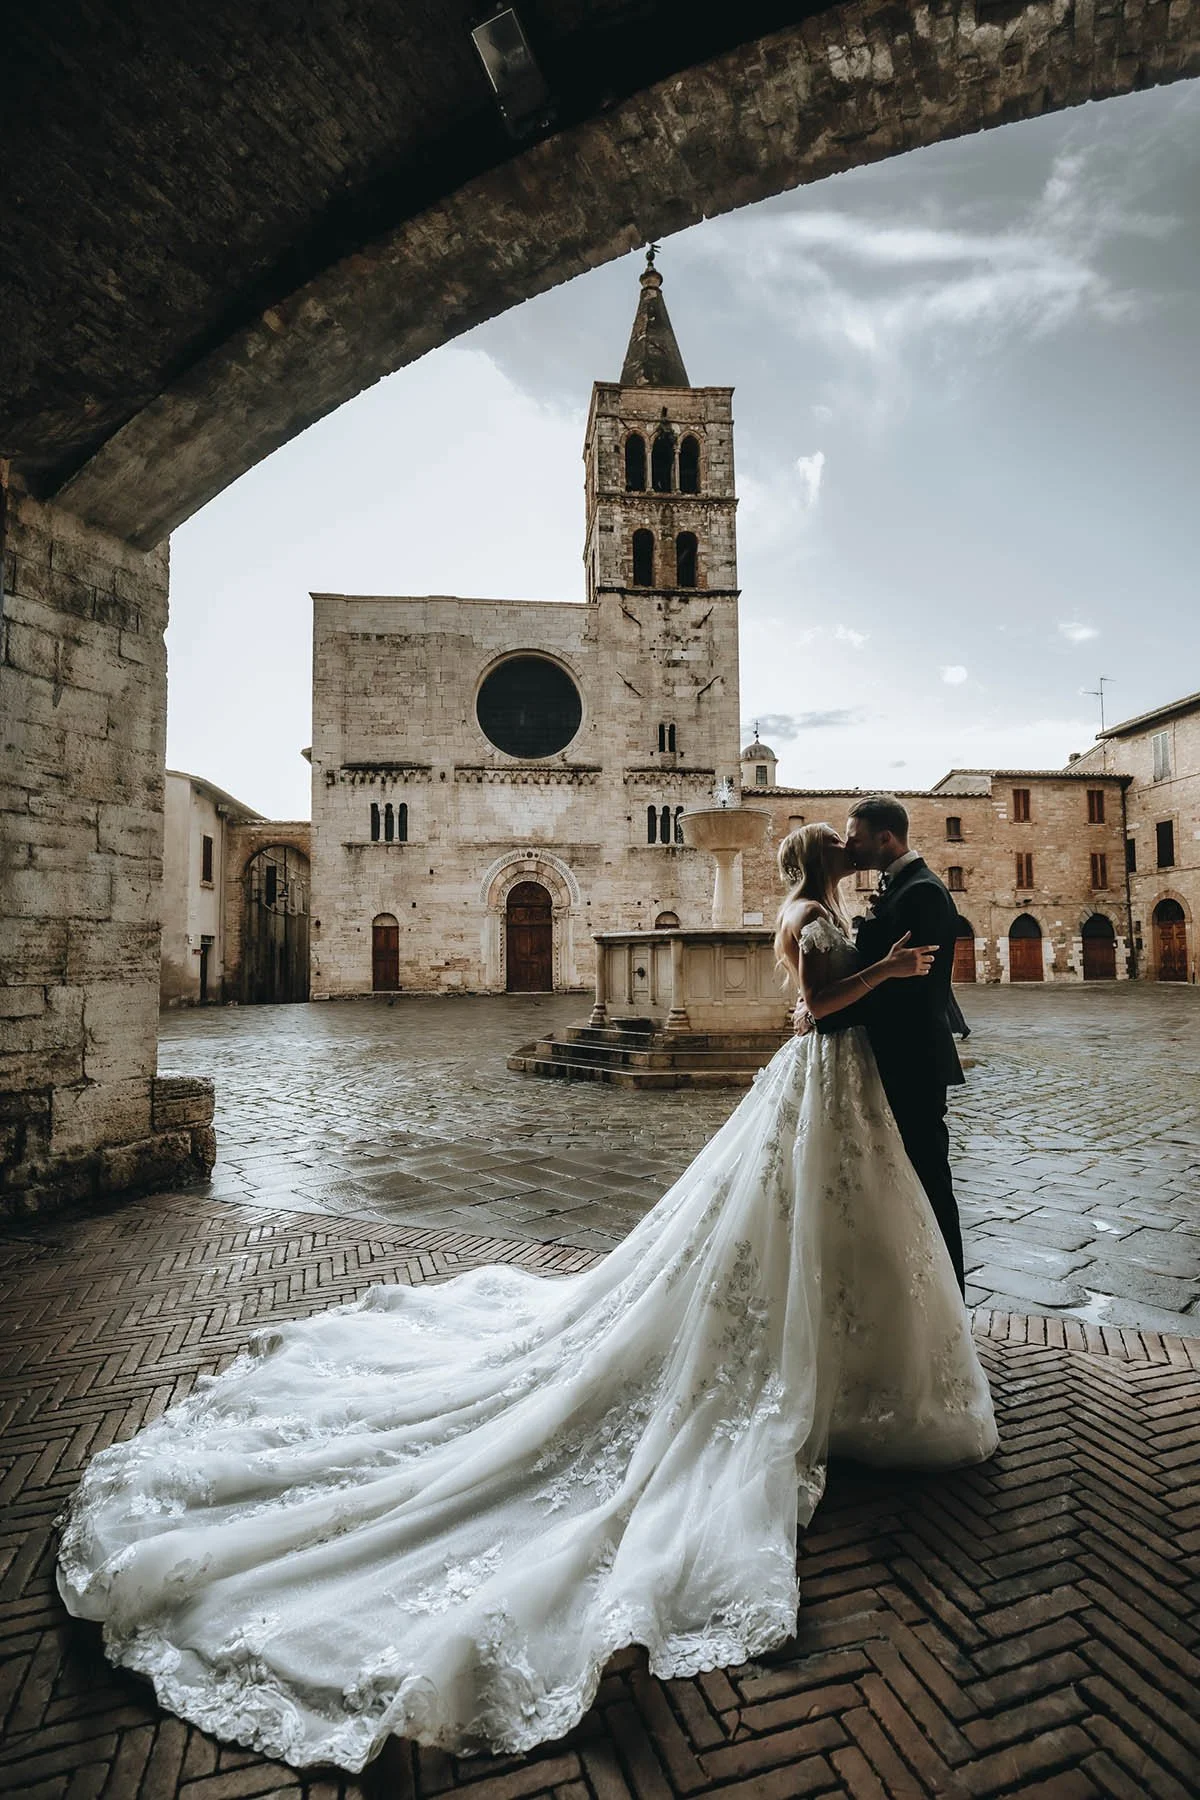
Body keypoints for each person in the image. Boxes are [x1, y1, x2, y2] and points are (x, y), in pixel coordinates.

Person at [55, 825, 996, 1774]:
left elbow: (816, 1006)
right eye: (836, 843)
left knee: (809, 1232)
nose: (846, 848)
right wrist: (880, 979)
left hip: (830, 1085)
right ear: (818, 861)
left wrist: (863, 981)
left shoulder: (823, 905)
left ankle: (841, 1356)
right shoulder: (805, 914)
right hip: (823, 1072)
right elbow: (818, 1001)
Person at [798, 797, 968, 1294]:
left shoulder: (923, 894)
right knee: (905, 1179)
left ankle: (950, 1297)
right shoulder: (903, 887)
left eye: (855, 837)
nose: (849, 846)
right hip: (892, 1055)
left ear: (884, 839)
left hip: (912, 1059)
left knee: (929, 1178)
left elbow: (910, 994)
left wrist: (824, 1013)